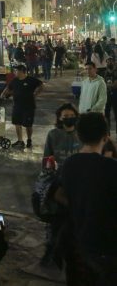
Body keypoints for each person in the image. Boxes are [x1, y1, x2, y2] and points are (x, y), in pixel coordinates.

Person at [60, 113, 117, 285]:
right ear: (106, 137)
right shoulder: (112, 167)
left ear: (78, 135)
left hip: (78, 244)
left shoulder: (69, 164)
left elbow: (61, 195)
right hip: (107, 247)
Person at [0, 64, 43, 149]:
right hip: (17, 106)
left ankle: (29, 140)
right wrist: (3, 94)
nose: (14, 72)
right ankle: (20, 141)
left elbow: (41, 85)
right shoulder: (15, 80)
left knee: (28, 125)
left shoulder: (31, 80)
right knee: (17, 123)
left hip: (29, 106)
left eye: (16, 71)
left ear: (21, 71)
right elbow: (8, 87)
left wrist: (36, 94)